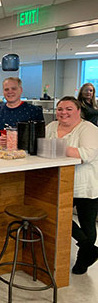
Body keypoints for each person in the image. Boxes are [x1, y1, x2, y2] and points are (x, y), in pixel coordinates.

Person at [45, 96, 98, 274]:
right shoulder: (52, 126)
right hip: (60, 182)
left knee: (87, 224)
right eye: (60, 109)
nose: (63, 113)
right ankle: (90, 250)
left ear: (78, 111)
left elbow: (85, 155)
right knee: (60, 215)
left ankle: (83, 261)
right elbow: (40, 147)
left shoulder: (88, 129)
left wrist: (53, 147)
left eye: (68, 109)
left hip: (86, 184)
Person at [0, 77, 44, 145]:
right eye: (6, 89)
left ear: (21, 90)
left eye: (14, 88)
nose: (10, 92)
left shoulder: (34, 111)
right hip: (0, 153)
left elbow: (40, 138)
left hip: (26, 154)